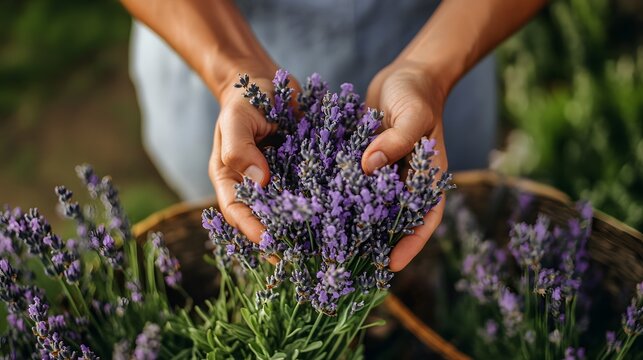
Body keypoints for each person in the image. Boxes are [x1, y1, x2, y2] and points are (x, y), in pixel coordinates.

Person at [121, 0, 546, 271]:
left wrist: (429, 72)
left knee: (426, 260)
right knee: (237, 243)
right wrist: (232, 69)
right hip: (211, 40)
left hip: (440, 39)